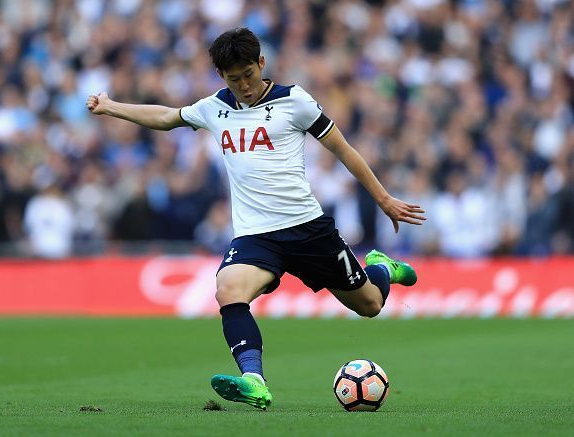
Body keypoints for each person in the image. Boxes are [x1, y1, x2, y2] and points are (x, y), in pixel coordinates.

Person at [87, 27, 426, 410]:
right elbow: (167, 117)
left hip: (307, 229)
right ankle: (255, 381)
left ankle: (380, 267)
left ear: (261, 63)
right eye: (234, 79)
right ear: (222, 77)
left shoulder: (294, 101)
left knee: (369, 305)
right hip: (255, 235)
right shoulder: (215, 108)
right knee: (228, 290)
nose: (244, 86)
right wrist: (111, 106)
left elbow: (343, 149)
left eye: (248, 74)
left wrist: (383, 199)